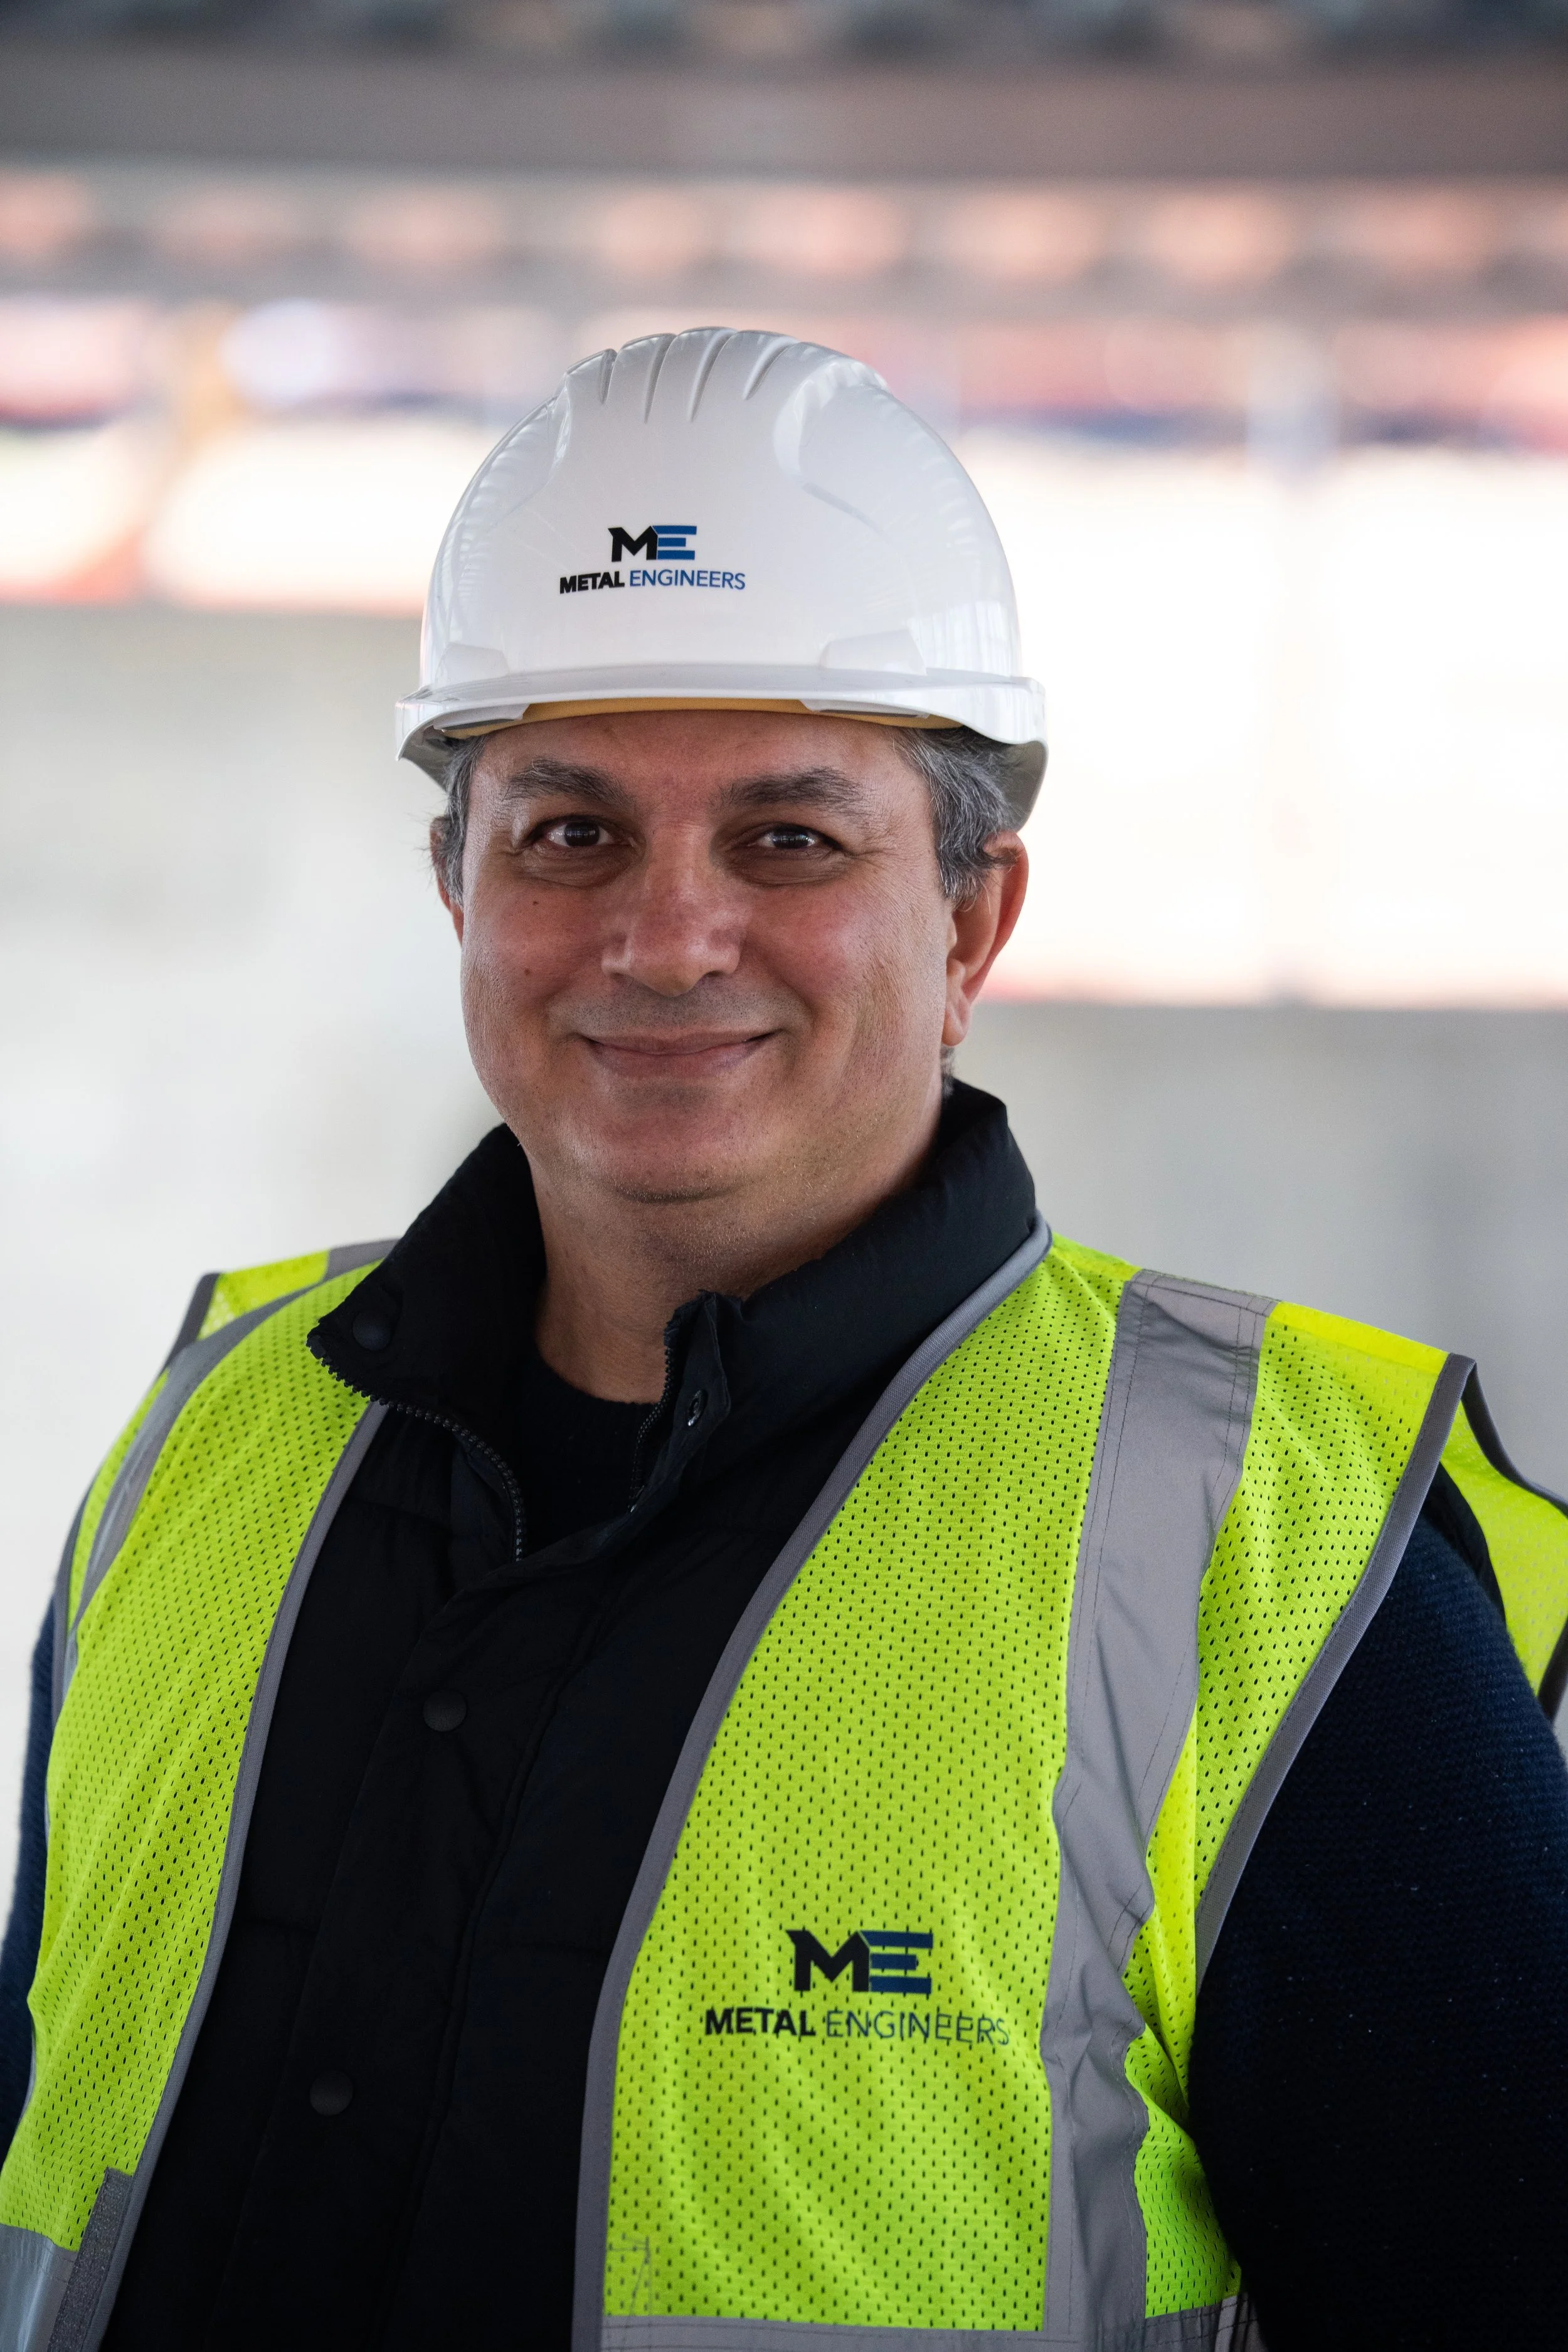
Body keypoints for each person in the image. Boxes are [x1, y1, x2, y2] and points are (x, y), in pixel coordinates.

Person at [0, 329, 1564, 2352]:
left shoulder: (1263, 1549)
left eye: (787, 840)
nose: (663, 939)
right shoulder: (220, 1429)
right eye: (568, 833)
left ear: (972, 920)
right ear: (452, 884)